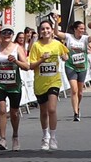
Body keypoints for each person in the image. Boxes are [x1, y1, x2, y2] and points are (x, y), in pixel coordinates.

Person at [25, 18, 69, 151]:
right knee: (43, 112)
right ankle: (45, 136)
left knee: (52, 109)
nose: (45, 31)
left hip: (54, 81)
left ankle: (53, 136)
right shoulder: (36, 46)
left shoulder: (57, 44)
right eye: (43, 29)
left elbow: (65, 55)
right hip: (40, 83)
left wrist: (64, 57)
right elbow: (31, 66)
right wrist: (41, 59)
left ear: (52, 30)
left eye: (48, 28)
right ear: (39, 31)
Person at [0, 28, 27, 149]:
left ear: (12, 35)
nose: (6, 35)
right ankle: (2, 139)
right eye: (4, 33)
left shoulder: (17, 48)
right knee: (2, 110)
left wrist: (15, 61)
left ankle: (15, 136)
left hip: (14, 85)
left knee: (14, 112)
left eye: (9, 33)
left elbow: (26, 66)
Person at [62, 22, 90, 119]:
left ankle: (78, 106)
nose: (82, 30)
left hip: (82, 67)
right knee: (74, 90)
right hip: (71, 66)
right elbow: (57, 33)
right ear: (75, 29)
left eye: (84, 29)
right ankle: (75, 113)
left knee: (80, 92)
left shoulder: (85, 38)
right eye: (81, 28)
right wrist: (56, 23)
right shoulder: (69, 37)